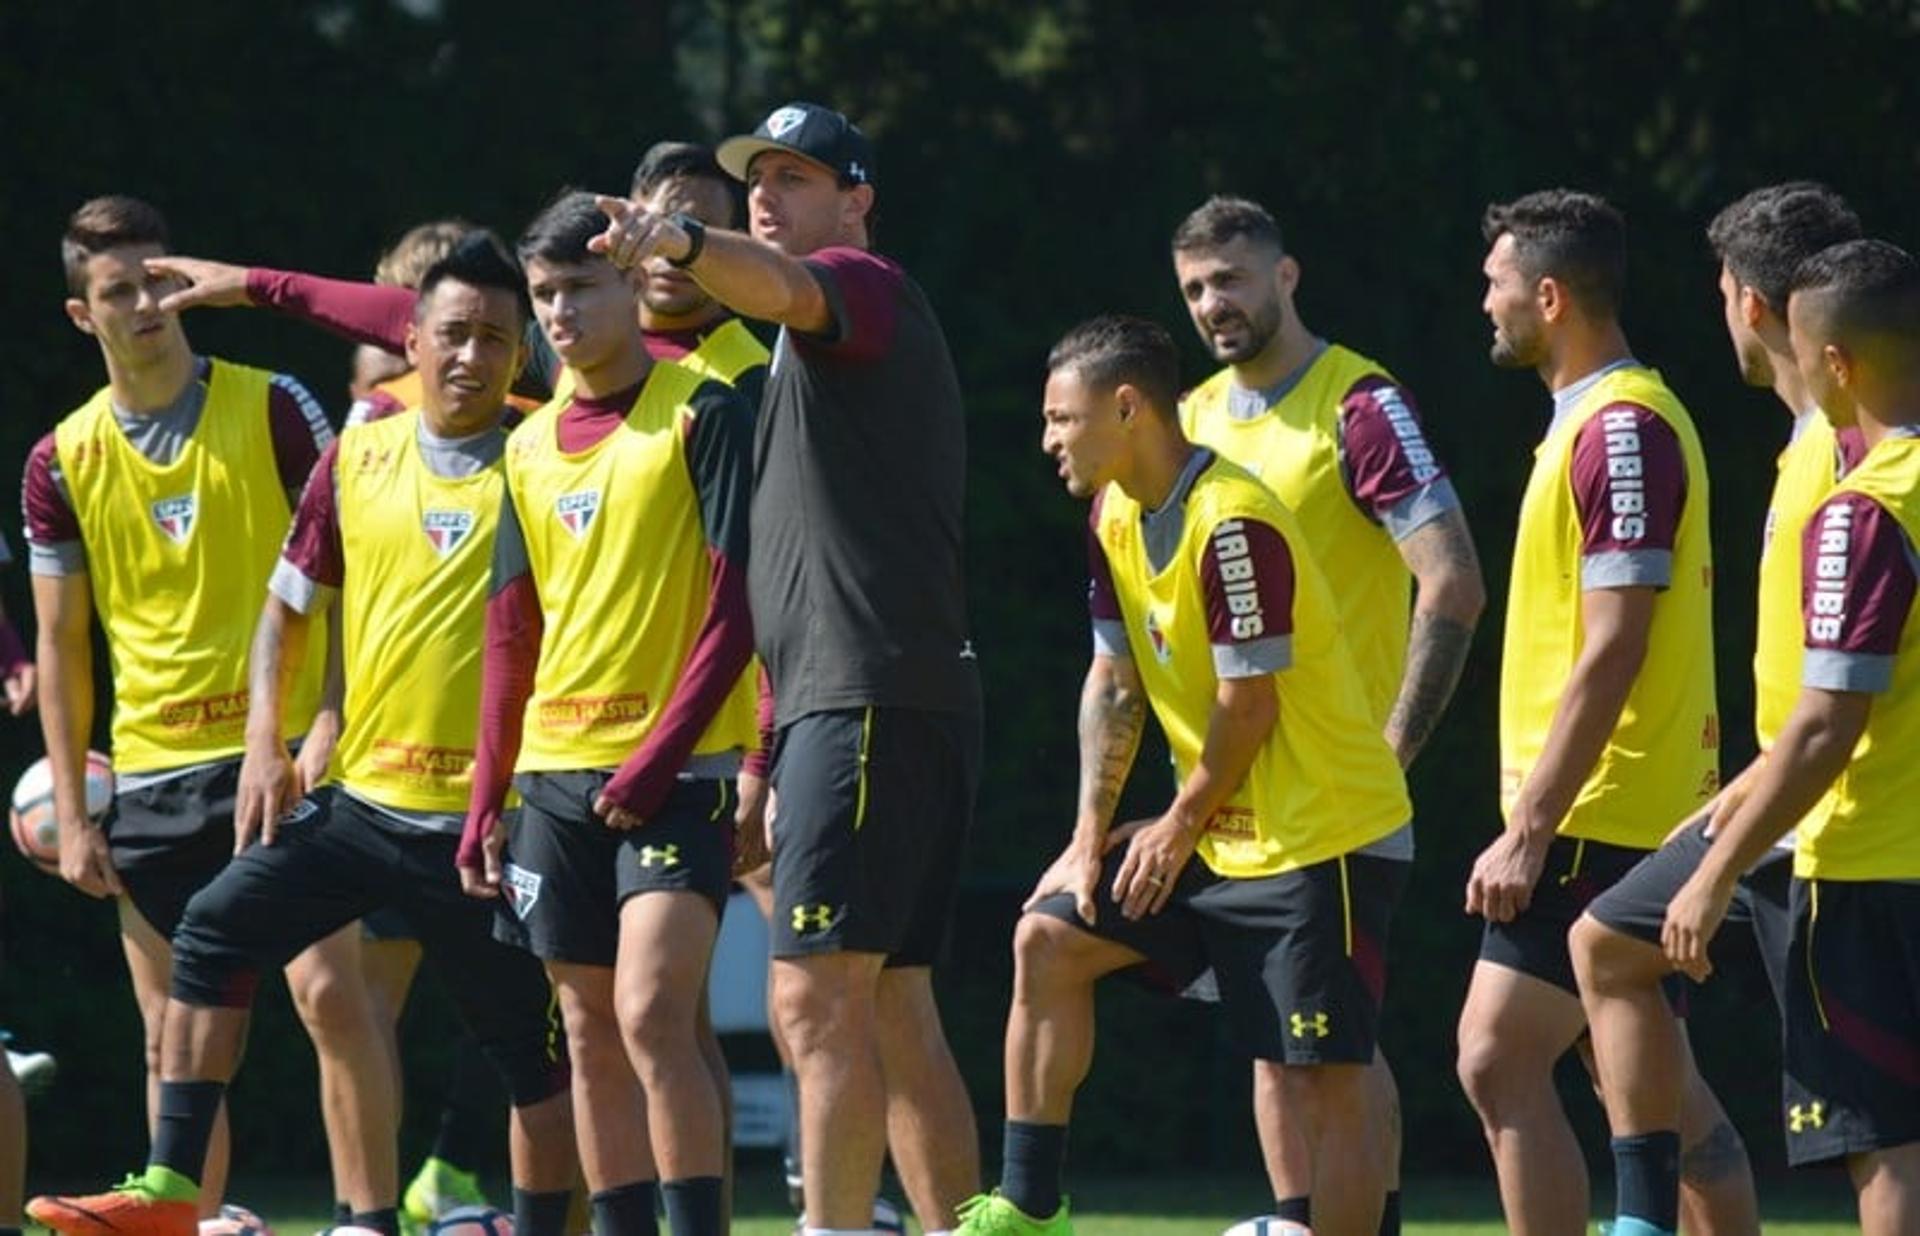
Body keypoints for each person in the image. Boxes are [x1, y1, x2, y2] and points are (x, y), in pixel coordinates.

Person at [27, 234, 579, 1236]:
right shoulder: (359, 452)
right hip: (363, 805)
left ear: (520, 352)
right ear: (410, 339)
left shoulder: (553, 453)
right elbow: (287, 610)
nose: (470, 356)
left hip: (490, 826)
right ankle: (171, 1193)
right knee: (215, 931)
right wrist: (278, 738)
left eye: (496, 340)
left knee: (532, 1063)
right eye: (452, 333)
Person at [592, 101, 982, 1235]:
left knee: (813, 1002)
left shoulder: (860, 285)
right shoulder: (792, 347)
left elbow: (790, 286)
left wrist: (676, 242)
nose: (768, 192)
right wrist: (764, 749)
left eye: (798, 176)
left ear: (855, 200)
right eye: (758, 176)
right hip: (883, 701)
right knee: (896, 1008)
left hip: (863, 700)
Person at [956, 315, 1411, 1235]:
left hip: (1322, 836)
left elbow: (1252, 705)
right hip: (1221, 833)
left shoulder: (1233, 522)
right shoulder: (1112, 514)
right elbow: (1114, 684)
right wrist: (1090, 842)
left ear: (1127, 408)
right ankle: (1027, 1209)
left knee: (1325, 1076)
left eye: (1062, 418)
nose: (1048, 440)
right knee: (1049, 939)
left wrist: (1175, 824)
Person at [22, 195, 385, 1222]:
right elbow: (58, 644)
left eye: (156, 280)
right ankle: (195, 1218)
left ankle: (367, 1219)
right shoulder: (59, 459)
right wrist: (81, 809)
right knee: (170, 1033)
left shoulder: (273, 405)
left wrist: (329, 719)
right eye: (117, 290)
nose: (144, 303)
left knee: (327, 996)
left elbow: (355, 568)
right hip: (151, 769)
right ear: (81, 314)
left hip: (286, 757)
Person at [1171, 195, 1485, 1234]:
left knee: (1333, 1058)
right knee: (1280, 1048)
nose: (1215, 303)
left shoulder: (1360, 405)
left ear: (1286, 275)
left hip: (1338, 795)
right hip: (1238, 790)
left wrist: (1390, 751)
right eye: (1195, 288)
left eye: (1232, 279)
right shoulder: (1191, 420)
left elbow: (1450, 582)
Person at [456, 191, 759, 1236]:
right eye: (544, 295)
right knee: (583, 1033)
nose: (560, 313)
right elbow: (510, 638)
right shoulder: (528, 448)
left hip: (676, 782)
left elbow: (738, 607)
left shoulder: (702, 411)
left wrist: (659, 759)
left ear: (633, 285)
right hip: (553, 780)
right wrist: (484, 799)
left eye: (580, 286)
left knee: (650, 1013)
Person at [1571, 182, 1864, 1236]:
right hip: (1787, 792)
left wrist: (1722, 858)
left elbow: (1840, 709)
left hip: (1841, 824)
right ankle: (1645, 1221)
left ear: (1748, 301)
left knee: (1881, 1142)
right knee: (1606, 944)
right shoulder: (1807, 445)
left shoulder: (1856, 457)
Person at [1461, 189, 1748, 1236]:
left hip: (1608, 804)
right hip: (1602, 797)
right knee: (1655, 1090)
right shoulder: (1586, 423)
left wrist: (1530, 825)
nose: (1483, 305)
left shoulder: (1621, 429)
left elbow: (1618, 637)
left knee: (1501, 1057)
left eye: (1495, 286)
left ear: (1548, 294)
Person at [1663, 237, 1920, 1236]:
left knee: (1889, 1144)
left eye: (1805, 356)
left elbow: (1823, 728)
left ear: (1841, 363)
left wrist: (1715, 870)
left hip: (1870, 868)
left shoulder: (1866, 512)